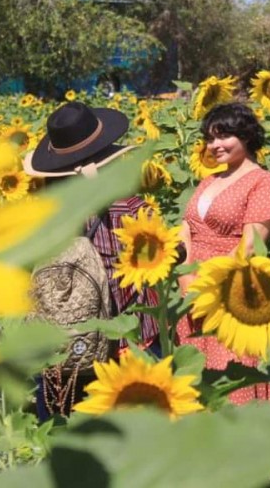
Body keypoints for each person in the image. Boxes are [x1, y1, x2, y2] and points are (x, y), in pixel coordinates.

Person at [23, 101, 160, 417]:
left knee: (61, 428)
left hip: (64, 338)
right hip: (127, 337)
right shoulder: (129, 207)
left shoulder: (45, 211)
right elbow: (160, 263)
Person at [176, 102, 270, 405]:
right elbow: (186, 229)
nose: (214, 146)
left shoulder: (263, 182)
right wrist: (187, 280)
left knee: (230, 379)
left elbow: (250, 246)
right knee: (195, 380)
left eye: (223, 136)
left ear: (246, 136)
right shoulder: (209, 180)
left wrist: (208, 290)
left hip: (231, 294)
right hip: (191, 292)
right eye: (210, 139)